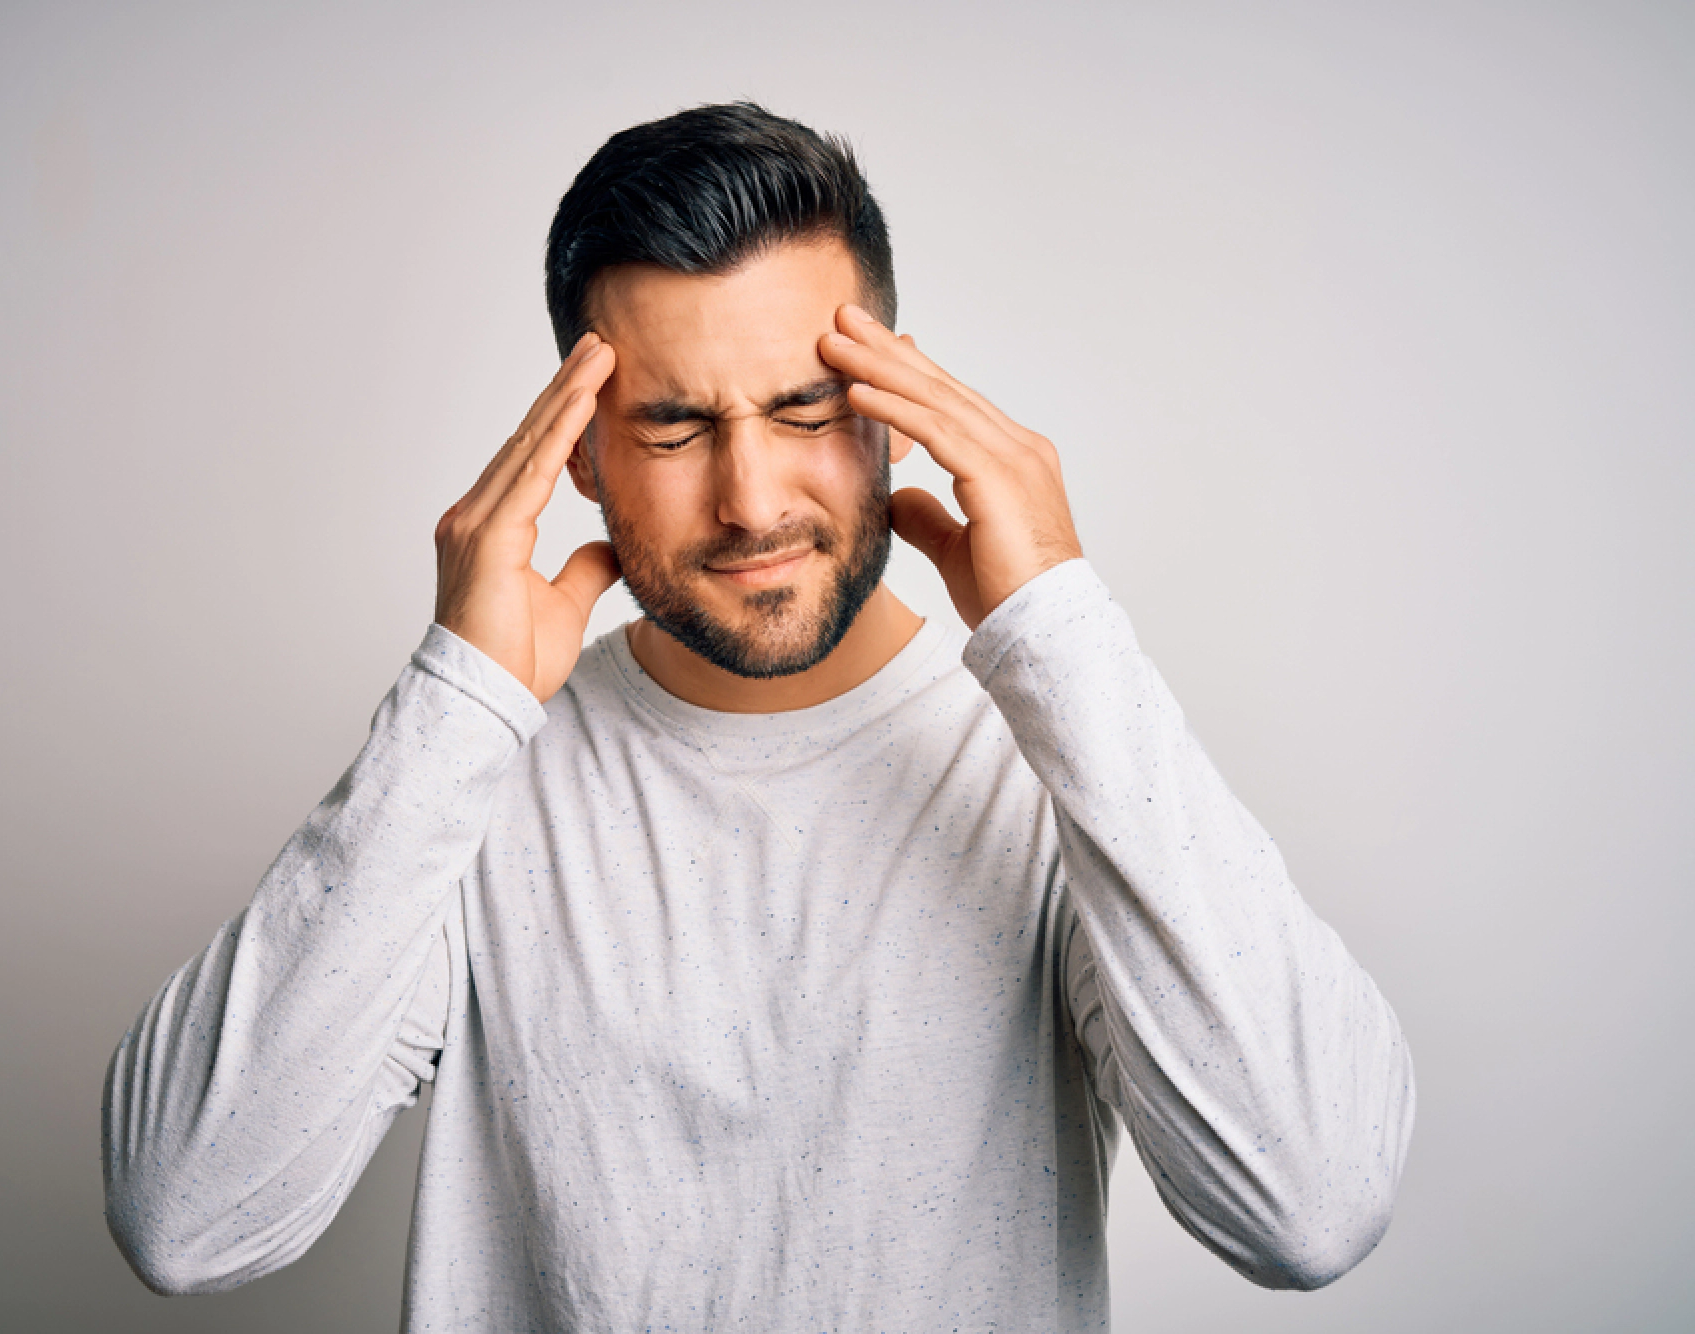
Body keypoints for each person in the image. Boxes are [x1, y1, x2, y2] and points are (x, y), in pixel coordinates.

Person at [101, 101, 1415, 1329]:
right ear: (582, 453)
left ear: (898, 404)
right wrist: (458, 699)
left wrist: (1063, 628)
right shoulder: (476, 781)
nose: (751, 497)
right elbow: (186, 1216)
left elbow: (1309, 1205)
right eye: (673, 428)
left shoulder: (1055, 765)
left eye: (808, 408)